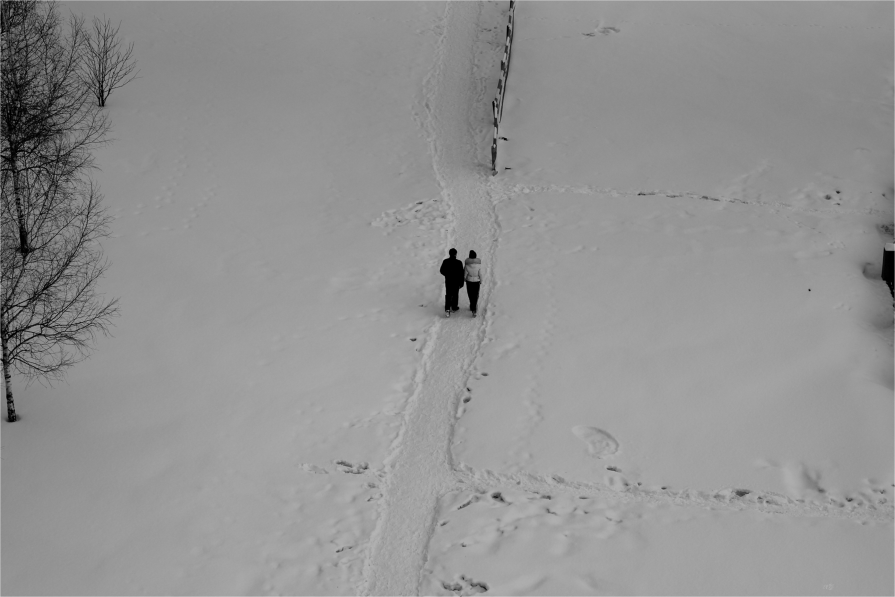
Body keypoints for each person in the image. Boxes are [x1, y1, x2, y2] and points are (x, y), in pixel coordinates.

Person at [439, 248, 465, 317]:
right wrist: (461, 283)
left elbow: (441, 270)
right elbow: (462, 274)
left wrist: (447, 274)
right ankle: (454, 307)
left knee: (448, 294)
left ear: (449, 253)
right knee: (455, 294)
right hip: (456, 282)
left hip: (448, 281)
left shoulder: (445, 261)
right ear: (456, 254)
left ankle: (447, 309)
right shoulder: (459, 262)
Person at [464, 250, 482, 317]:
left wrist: (464, 279)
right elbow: (480, 273)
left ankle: (472, 306)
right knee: (476, 294)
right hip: (477, 281)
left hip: (469, 281)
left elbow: (465, 273)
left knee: (470, 294)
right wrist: (481, 280)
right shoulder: (478, 264)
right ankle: (474, 308)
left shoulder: (467, 264)